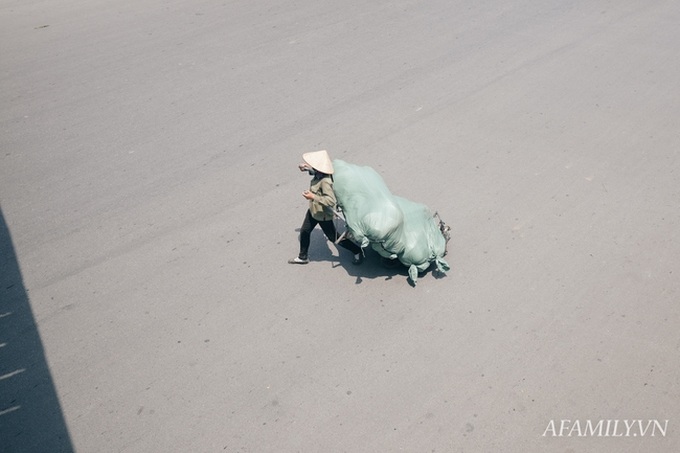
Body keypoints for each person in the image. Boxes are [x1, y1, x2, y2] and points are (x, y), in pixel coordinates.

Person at [288, 150, 364, 265]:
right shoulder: (320, 174)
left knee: (334, 238)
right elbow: (315, 172)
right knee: (304, 231)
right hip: (314, 210)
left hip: (323, 215)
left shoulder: (325, 182)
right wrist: (305, 168)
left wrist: (312, 196)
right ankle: (303, 257)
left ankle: (357, 250)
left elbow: (330, 201)